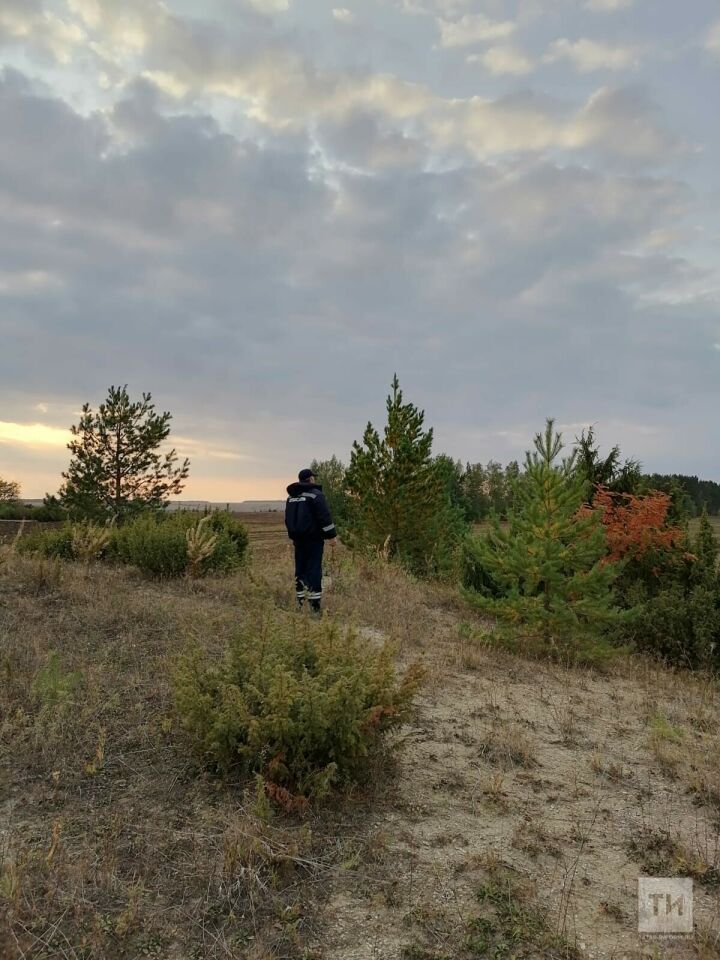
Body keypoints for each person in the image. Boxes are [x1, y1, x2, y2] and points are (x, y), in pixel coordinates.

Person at [285, 468, 338, 614]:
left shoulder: (291, 497)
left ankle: (300, 602)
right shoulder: (316, 495)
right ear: (311, 479)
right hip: (313, 540)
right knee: (314, 570)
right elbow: (324, 517)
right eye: (313, 477)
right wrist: (332, 536)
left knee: (300, 570)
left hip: (298, 540)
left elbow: (287, 519)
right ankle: (315, 606)